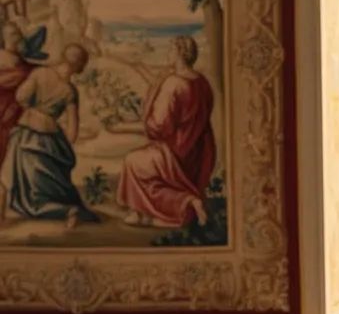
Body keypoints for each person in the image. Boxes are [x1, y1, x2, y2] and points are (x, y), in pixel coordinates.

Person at [117, 35, 215, 228]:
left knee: (132, 162)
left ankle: (183, 204)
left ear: (180, 53)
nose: (168, 54)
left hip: (175, 154)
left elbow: (159, 127)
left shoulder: (174, 84)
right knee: (144, 165)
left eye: (171, 50)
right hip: (197, 153)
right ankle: (146, 211)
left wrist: (128, 125)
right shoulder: (201, 81)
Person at [0, 43, 98, 228]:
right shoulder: (70, 91)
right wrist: (62, 148)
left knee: (26, 195)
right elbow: (73, 129)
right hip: (50, 139)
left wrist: (33, 110)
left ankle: (65, 211)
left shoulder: (40, 73)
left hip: (26, 136)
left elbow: (21, 96)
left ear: (63, 56)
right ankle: (67, 209)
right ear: (80, 67)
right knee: (48, 189)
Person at [0, 21, 31, 170]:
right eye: (13, 33)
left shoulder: (20, 60)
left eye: (18, 32)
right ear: (4, 37)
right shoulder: (2, 58)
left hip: (15, 111)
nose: (17, 36)